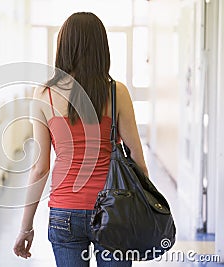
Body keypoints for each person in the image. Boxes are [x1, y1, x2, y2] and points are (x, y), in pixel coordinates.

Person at [13, 12, 149, 267]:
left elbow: (39, 168)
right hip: (115, 209)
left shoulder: (44, 94)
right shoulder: (116, 92)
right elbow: (138, 160)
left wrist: (26, 227)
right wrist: (145, 207)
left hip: (65, 212)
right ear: (101, 47)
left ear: (64, 45)